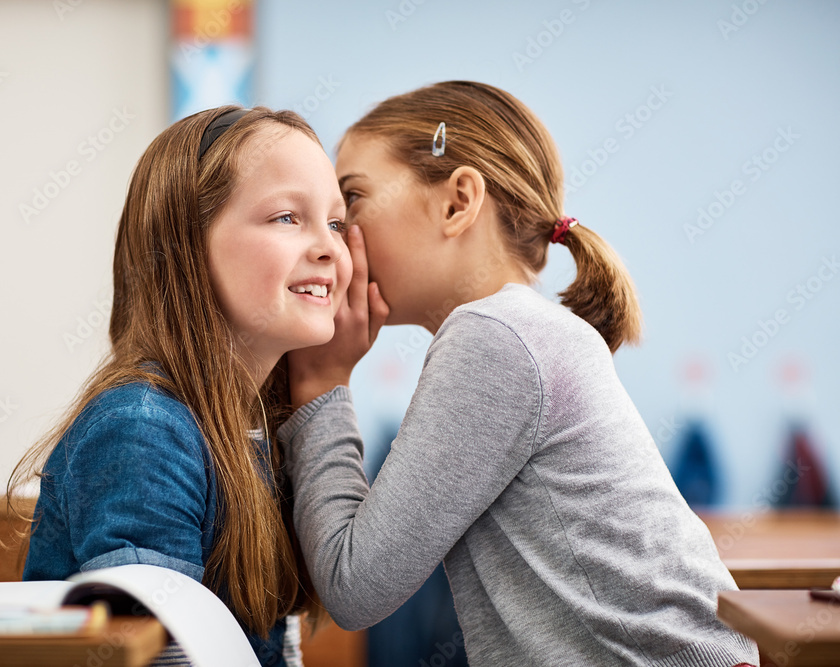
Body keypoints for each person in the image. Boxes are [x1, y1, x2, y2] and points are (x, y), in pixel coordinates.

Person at [280, 81, 760, 666]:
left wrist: (322, 387)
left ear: (457, 202)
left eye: (351, 201)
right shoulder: (518, 329)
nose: (339, 237)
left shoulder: (494, 337)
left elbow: (354, 588)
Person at [7, 105, 350, 667]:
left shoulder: (252, 425)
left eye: (336, 223)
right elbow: (161, 656)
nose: (330, 248)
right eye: (288, 217)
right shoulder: (142, 428)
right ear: (186, 244)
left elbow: (278, 643)